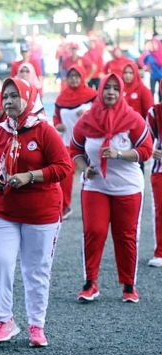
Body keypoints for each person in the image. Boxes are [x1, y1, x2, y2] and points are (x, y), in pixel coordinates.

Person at [0, 77, 71, 347]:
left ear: (28, 97)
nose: (7, 102)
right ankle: (4, 321)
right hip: (4, 209)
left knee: (36, 270)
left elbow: (63, 167)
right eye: (4, 97)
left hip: (41, 213)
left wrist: (30, 176)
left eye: (13, 96)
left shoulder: (44, 131)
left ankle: (36, 326)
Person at [71, 73, 152, 303]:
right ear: (101, 90)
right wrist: (85, 168)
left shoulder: (133, 119)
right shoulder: (87, 120)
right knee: (94, 232)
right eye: (108, 88)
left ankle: (128, 285)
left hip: (127, 187)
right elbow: (75, 150)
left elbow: (146, 150)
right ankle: (90, 283)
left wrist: (119, 154)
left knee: (125, 235)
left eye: (116, 89)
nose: (111, 93)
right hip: (95, 184)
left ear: (121, 92)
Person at [53, 65, 97, 220]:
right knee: (66, 174)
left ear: (83, 77)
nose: (73, 79)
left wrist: (88, 112)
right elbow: (56, 116)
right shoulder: (61, 97)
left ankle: (97, 207)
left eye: (77, 76)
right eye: (71, 76)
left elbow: (102, 113)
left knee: (93, 174)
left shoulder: (92, 95)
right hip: (68, 142)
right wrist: (58, 124)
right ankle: (64, 206)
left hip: (90, 142)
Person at [147, 103, 162, 267]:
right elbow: (145, 139)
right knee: (160, 211)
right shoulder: (154, 112)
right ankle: (160, 252)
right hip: (160, 169)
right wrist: (151, 150)